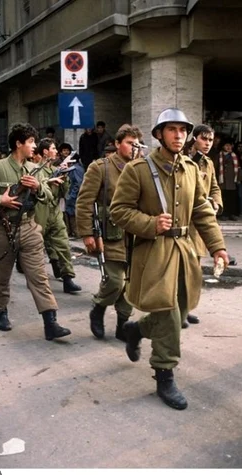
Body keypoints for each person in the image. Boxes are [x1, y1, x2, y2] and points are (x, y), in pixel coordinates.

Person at [110, 108, 229, 410]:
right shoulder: (137, 169)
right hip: (153, 252)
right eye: (172, 129)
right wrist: (150, 224)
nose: (178, 135)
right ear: (159, 134)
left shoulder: (191, 168)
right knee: (170, 315)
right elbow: (119, 210)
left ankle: (136, 329)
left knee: (183, 306)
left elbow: (201, 209)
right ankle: (165, 373)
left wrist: (217, 247)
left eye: (182, 130)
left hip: (185, 250)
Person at [0, 123, 71, 340]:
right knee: (2, 276)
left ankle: (50, 322)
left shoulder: (33, 169)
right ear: (18, 144)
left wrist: (37, 186)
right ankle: (0, 311)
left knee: (39, 277)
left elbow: (49, 196)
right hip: (2, 229)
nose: (34, 146)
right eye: (31, 142)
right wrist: (0, 199)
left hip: (29, 227)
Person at [76, 124, 143, 341]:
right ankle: (98, 308)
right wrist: (87, 233)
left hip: (137, 235)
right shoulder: (101, 168)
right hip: (110, 234)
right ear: (117, 144)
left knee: (132, 284)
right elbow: (84, 202)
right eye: (129, 143)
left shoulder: (143, 168)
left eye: (137, 144)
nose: (133, 148)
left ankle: (123, 322)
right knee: (115, 281)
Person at [184, 124, 223, 328]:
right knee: (181, 268)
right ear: (195, 139)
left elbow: (215, 187)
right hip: (183, 222)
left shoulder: (208, 163)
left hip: (200, 224)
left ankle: (187, 307)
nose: (207, 143)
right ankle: (177, 309)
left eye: (210, 140)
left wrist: (215, 203)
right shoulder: (184, 159)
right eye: (203, 139)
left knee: (195, 270)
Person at [29, 138, 82, 293]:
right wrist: (49, 179)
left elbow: (65, 192)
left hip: (55, 211)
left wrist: (64, 176)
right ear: (45, 152)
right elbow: (35, 187)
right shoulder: (35, 169)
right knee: (36, 248)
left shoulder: (56, 168)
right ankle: (34, 278)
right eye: (53, 148)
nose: (56, 151)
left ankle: (68, 278)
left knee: (64, 245)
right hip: (40, 212)